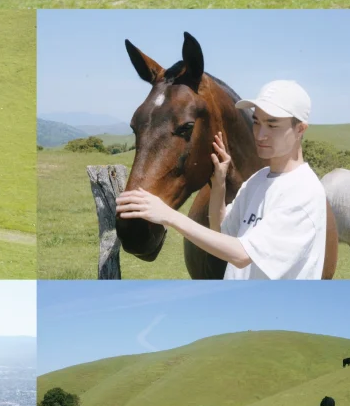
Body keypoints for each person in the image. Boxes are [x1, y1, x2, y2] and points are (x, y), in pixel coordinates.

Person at [115, 80, 328, 279]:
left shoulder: (303, 191)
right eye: (257, 122)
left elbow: (241, 255)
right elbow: (221, 228)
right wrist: (219, 183)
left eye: (272, 125)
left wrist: (169, 216)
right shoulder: (258, 180)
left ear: (300, 129)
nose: (260, 135)